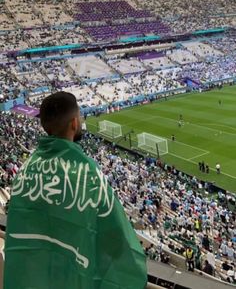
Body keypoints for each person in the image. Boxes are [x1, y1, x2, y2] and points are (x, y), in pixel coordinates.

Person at [4, 92, 147, 289]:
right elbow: (118, 241)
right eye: (79, 116)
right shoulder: (88, 174)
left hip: (33, 277)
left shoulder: (25, 169)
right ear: (73, 123)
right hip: (71, 278)